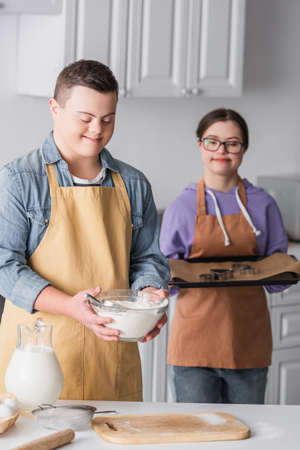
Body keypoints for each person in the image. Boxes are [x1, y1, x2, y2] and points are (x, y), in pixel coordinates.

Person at [0, 59, 170, 401]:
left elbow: (147, 259)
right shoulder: (20, 180)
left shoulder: (134, 183)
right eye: (85, 118)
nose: (97, 129)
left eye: (108, 119)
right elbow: (4, 266)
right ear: (55, 108)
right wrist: (70, 306)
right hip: (39, 357)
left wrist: (149, 297)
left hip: (111, 358)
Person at [160, 108, 288, 404]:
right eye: (212, 141)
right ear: (200, 145)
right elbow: (165, 276)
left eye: (232, 143)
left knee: (248, 436)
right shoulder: (183, 207)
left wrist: (285, 272)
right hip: (193, 346)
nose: (222, 150)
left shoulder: (263, 204)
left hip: (248, 343)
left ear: (243, 149)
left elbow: (276, 273)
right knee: (198, 436)